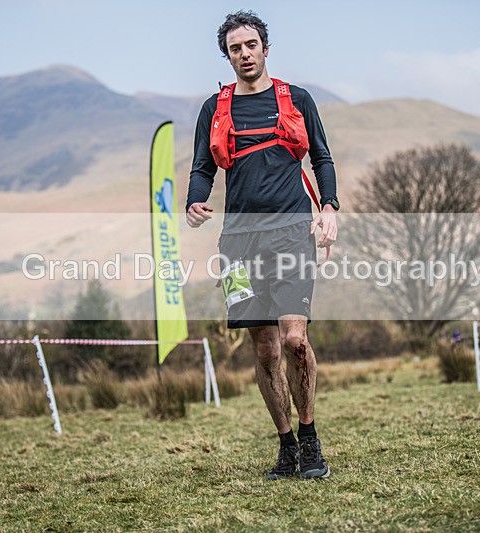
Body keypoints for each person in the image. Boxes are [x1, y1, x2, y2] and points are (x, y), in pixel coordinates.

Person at [186, 10, 339, 480]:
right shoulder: (215, 108)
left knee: (295, 339)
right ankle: (286, 446)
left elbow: (321, 156)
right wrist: (195, 200)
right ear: (227, 55)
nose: (244, 54)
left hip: (292, 230)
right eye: (235, 48)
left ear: (265, 48)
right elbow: (201, 169)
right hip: (237, 241)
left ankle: (310, 440)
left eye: (251, 45)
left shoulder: (297, 99)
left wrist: (329, 207)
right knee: (265, 349)